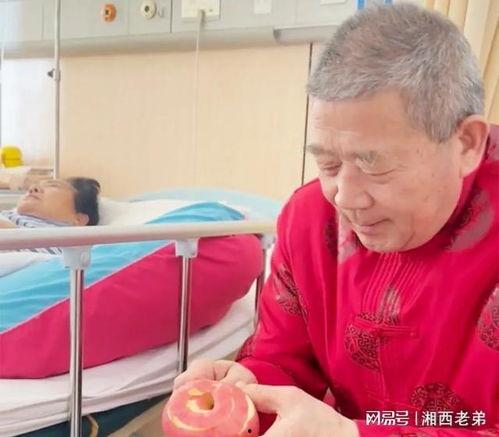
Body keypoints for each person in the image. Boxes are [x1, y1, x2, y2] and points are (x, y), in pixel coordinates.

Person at [174, 3, 498, 437]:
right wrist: (247, 388)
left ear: (466, 144)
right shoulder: (311, 220)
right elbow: (282, 360)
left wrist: (354, 434)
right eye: (328, 164)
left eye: (374, 165)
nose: (345, 197)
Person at [0, 177, 101, 254]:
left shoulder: (62, 241)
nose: (33, 188)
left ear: (79, 219)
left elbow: (46, 261)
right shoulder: (9, 215)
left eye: (53, 185)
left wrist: (8, 230)